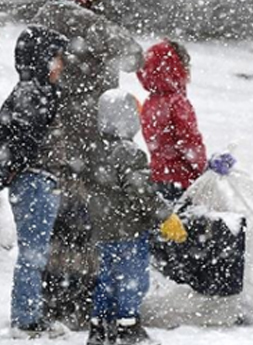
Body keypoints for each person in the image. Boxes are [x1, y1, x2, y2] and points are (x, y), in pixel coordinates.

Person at [30, 0, 145, 328]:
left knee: (59, 224)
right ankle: (74, 303)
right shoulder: (72, 16)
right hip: (78, 139)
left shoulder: (45, 14)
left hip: (55, 136)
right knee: (79, 221)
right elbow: (133, 54)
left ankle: (57, 300)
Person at [0, 26, 70, 338]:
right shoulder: (34, 94)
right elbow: (20, 140)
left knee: (37, 253)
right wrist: (17, 170)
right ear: (41, 59)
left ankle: (31, 312)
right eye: (56, 58)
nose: (60, 66)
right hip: (34, 181)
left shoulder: (35, 92)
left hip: (38, 180)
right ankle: (25, 318)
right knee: (33, 254)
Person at [86, 89, 188, 345]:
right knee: (132, 280)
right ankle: (127, 327)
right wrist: (165, 216)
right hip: (128, 230)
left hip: (103, 231)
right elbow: (141, 192)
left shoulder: (96, 149)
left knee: (106, 280)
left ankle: (100, 327)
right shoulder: (129, 152)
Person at [136, 39, 207, 204]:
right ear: (176, 68)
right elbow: (189, 142)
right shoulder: (176, 102)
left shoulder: (150, 102)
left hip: (159, 176)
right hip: (181, 179)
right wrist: (204, 166)